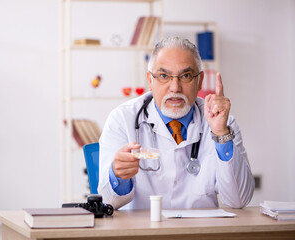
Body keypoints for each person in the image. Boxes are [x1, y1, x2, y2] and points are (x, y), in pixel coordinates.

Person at [98, 36, 254, 210]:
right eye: (164, 76)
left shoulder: (223, 124)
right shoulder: (122, 119)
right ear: (150, 80)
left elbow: (239, 200)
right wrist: (118, 174)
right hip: (143, 234)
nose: (175, 87)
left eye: (185, 76)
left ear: (199, 81)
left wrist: (220, 134)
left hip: (200, 234)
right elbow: (107, 201)